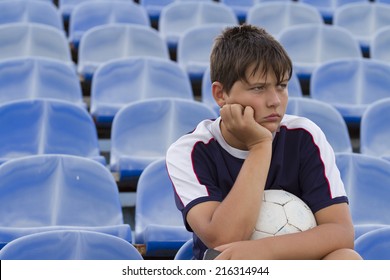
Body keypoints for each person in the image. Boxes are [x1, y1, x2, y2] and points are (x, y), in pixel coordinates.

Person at [166, 24, 362, 260]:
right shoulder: (189, 151)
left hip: (297, 264)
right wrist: (260, 146)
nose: (275, 101)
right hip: (231, 268)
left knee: (347, 260)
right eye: (258, 88)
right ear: (220, 94)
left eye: (282, 86)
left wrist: (264, 249)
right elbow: (223, 239)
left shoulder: (305, 136)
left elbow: (341, 232)